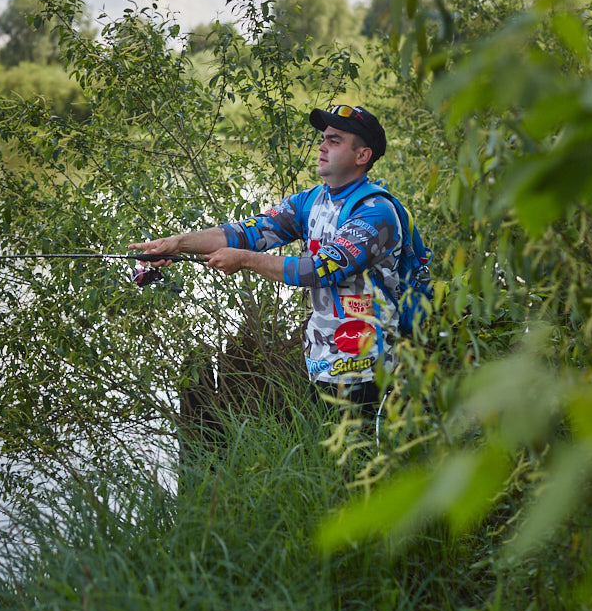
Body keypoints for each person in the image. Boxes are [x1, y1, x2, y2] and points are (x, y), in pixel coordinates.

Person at [129, 104, 409, 413]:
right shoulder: (311, 201)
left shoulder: (376, 212)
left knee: (369, 458)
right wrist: (177, 243)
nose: (322, 146)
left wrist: (245, 260)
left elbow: (319, 270)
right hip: (325, 366)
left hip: (372, 371)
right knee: (334, 458)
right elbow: (246, 232)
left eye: (334, 140)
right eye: (323, 138)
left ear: (362, 156)